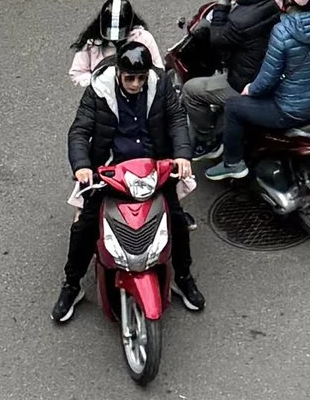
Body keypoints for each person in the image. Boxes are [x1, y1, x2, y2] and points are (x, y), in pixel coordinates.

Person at [54, 33, 203, 322]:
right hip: (110, 171)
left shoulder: (160, 87)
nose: (136, 84)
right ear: (118, 74)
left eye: (140, 78)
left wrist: (182, 155)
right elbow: (80, 131)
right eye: (129, 79)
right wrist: (82, 165)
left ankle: (183, 277)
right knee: (85, 227)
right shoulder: (98, 90)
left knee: (176, 220)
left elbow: (176, 120)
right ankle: (72, 285)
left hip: (153, 169)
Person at [203, 0, 310, 185]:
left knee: (234, 107)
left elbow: (268, 77)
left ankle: (232, 163)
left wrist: (250, 89)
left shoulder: (283, 32)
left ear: (290, 1)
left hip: (290, 110)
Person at [174, 0, 279, 103]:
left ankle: (203, 127)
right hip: (268, 71)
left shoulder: (239, 20)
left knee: (191, 90)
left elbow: (217, 38)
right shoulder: (273, 1)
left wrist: (222, 3)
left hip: (244, 83)